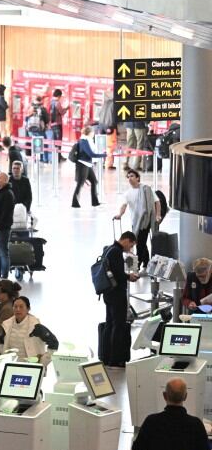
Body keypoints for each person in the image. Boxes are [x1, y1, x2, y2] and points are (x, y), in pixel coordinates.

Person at [99, 232, 139, 367]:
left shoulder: (108, 249)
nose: (130, 248)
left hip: (108, 293)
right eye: (131, 245)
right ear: (127, 240)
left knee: (109, 323)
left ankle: (106, 356)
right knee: (118, 325)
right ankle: (116, 359)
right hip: (117, 294)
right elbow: (118, 274)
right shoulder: (116, 252)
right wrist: (130, 277)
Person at [117, 169, 161, 267]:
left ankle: (137, 265)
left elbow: (157, 202)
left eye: (132, 176)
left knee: (140, 243)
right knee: (140, 242)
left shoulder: (146, 189)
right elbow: (124, 206)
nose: (129, 178)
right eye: (128, 177)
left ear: (137, 178)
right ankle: (146, 262)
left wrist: (158, 215)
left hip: (146, 220)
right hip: (136, 221)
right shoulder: (127, 193)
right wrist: (120, 215)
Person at [0, 296, 56, 369]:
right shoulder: (6, 325)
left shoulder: (36, 326)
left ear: (28, 309)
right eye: (15, 307)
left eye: (21, 307)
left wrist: (43, 361)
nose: (18, 309)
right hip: (11, 367)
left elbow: (54, 343)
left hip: (31, 367)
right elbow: (1, 344)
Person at [72, 126, 106, 208]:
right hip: (82, 165)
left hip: (87, 164)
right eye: (93, 132)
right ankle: (74, 203)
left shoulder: (88, 141)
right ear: (90, 133)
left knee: (94, 181)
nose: (94, 134)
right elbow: (90, 154)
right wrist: (103, 155)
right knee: (80, 184)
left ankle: (95, 202)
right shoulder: (84, 141)